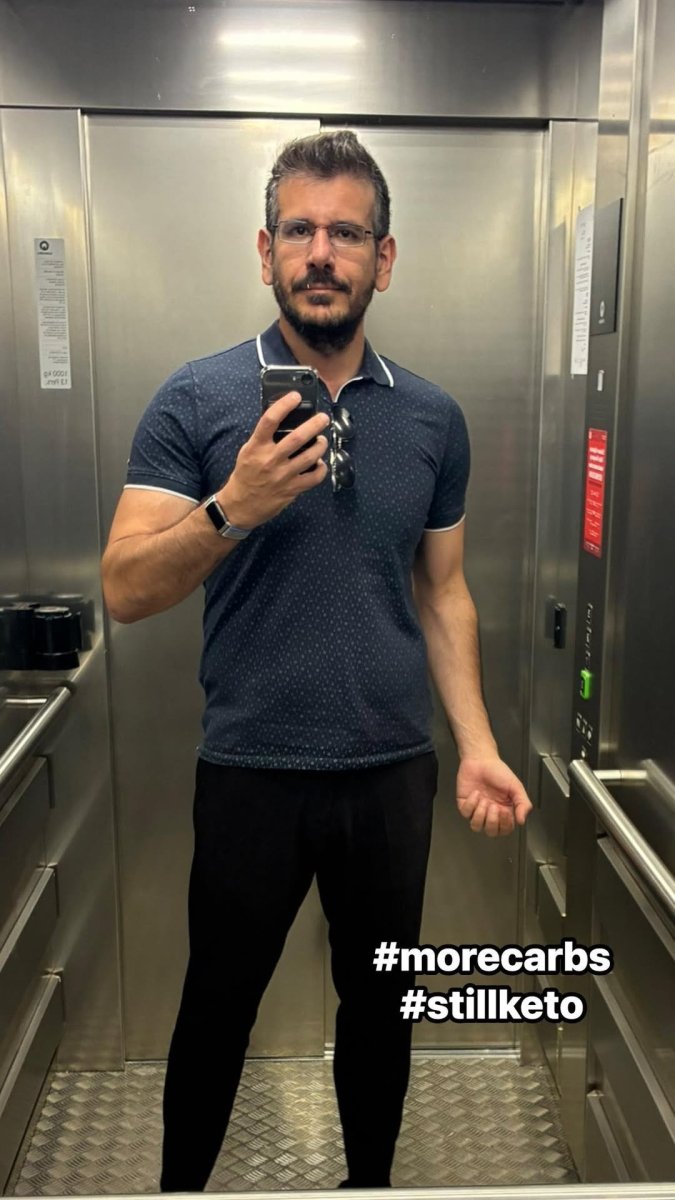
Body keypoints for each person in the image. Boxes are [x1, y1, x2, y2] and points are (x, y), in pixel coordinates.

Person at [101, 130, 532, 1192]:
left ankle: (367, 1188)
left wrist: (477, 746)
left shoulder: (431, 417)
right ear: (265, 251)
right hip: (249, 770)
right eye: (299, 230)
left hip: (390, 773)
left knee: (382, 1008)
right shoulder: (197, 399)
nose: (321, 253)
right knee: (217, 1008)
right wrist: (232, 507)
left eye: (347, 233)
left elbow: (443, 592)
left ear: (385, 257)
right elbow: (125, 588)